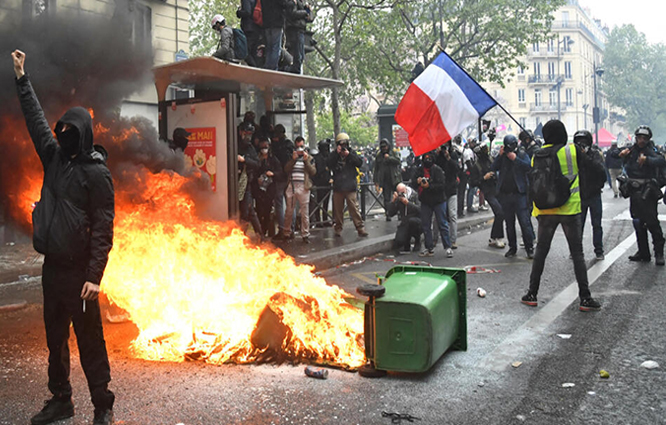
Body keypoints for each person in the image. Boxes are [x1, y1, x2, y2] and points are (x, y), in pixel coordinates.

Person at [12, 50, 116, 425]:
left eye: (72, 133)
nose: (64, 137)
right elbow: (36, 121)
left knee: (91, 343)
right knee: (55, 341)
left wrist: (94, 275)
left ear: (84, 135)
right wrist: (22, 78)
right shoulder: (54, 158)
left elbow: (104, 228)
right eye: (62, 133)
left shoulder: (97, 175)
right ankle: (61, 400)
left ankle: (102, 405)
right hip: (52, 269)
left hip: (80, 276)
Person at [522, 120, 602, 312]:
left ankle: (532, 294)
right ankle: (585, 298)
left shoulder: (537, 155)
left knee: (541, 252)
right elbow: (598, 171)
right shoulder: (572, 151)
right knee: (577, 254)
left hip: (545, 211)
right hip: (569, 209)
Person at [615, 125, 665, 265]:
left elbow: (661, 160)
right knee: (637, 222)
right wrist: (622, 155)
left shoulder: (652, 150)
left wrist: (647, 160)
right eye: (639, 138)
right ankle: (643, 252)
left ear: (648, 139)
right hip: (634, 190)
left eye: (644, 138)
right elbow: (615, 155)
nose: (641, 140)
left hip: (648, 191)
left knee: (652, 223)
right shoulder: (631, 149)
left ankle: (659, 253)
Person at [492, 134, 534, 259]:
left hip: (519, 194)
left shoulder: (521, 154)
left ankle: (529, 247)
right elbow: (493, 167)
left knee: (524, 222)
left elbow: (528, 167)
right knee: (509, 224)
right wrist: (499, 156)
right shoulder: (503, 157)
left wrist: (515, 159)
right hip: (506, 195)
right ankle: (512, 247)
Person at [573, 130, 607, 260]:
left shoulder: (595, 155)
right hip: (580, 194)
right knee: (578, 225)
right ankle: (576, 250)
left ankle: (599, 250)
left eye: (584, 141)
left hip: (594, 194)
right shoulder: (574, 156)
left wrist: (585, 156)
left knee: (596, 224)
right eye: (579, 141)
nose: (581, 144)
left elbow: (601, 171)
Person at [412, 151, 453, 258]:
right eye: (425, 158)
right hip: (425, 201)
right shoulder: (419, 170)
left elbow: (441, 185)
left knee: (442, 224)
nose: (427, 161)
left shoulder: (437, 170)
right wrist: (417, 181)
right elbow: (412, 182)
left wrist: (429, 186)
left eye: (429, 158)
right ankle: (429, 247)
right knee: (426, 225)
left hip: (438, 201)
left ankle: (448, 247)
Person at [327, 133, 368, 237]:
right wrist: (337, 154)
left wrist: (348, 155)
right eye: (341, 144)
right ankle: (338, 228)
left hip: (350, 186)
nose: (343, 146)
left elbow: (359, 163)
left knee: (354, 207)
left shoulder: (352, 153)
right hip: (339, 186)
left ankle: (360, 227)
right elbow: (328, 164)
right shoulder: (334, 155)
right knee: (338, 209)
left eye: (345, 143)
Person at [276, 136, 316, 242]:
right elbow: (286, 169)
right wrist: (293, 160)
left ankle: (305, 234)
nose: (300, 150)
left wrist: (306, 160)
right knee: (289, 211)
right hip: (292, 186)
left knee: (304, 212)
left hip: (304, 186)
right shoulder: (291, 158)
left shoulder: (309, 158)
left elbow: (313, 172)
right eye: (297, 147)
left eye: (301, 147)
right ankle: (287, 232)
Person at [470, 141, 505, 248]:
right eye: (484, 150)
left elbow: (497, 165)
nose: (487, 151)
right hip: (488, 192)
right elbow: (472, 182)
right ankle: (498, 237)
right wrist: (483, 178)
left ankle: (493, 237)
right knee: (499, 212)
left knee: (500, 213)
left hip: (497, 189)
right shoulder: (476, 166)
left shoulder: (490, 159)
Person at [252, 137, 283, 238]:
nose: (264, 149)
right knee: (259, 210)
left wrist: (272, 174)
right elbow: (252, 170)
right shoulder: (257, 158)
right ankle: (260, 232)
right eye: (262, 147)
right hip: (259, 190)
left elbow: (280, 172)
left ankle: (264, 231)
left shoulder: (273, 159)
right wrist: (257, 178)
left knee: (267, 212)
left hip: (270, 189)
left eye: (265, 147)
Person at [238, 122, 263, 239]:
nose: (248, 136)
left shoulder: (250, 148)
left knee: (247, 210)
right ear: (241, 132)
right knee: (246, 211)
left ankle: (246, 235)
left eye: (250, 134)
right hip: (232, 183)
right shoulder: (233, 144)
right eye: (246, 133)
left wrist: (245, 160)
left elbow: (257, 164)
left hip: (245, 183)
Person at [270, 124, 294, 235]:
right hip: (289, 176)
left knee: (279, 203)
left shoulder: (276, 147)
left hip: (279, 177)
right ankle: (291, 228)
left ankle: (282, 229)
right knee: (290, 203)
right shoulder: (289, 145)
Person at [436, 141, 460, 249]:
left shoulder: (453, 155)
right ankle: (434, 239)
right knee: (438, 216)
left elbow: (457, 168)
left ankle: (453, 240)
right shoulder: (438, 156)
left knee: (452, 215)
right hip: (441, 191)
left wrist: (449, 158)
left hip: (451, 190)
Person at [386, 183, 421, 254]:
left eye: (403, 192)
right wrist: (393, 201)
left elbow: (419, 210)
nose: (401, 194)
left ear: (406, 189)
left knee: (412, 222)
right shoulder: (398, 199)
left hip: (416, 220)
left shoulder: (414, 195)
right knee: (398, 242)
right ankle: (406, 242)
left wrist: (408, 203)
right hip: (405, 221)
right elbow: (390, 213)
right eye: (399, 193)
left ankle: (417, 240)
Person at [373, 138, 402, 222]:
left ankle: (400, 213)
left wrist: (389, 158)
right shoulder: (379, 155)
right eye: (382, 147)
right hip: (385, 180)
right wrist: (376, 181)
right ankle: (388, 213)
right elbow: (376, 168)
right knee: (386, 198)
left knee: (398, 196)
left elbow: (398, 161)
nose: (384, 149)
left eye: (385, 147)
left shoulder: (393, 152)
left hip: (394, 178)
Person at [284, 0, 313, 74]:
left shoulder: (301, 4)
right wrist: (304, 13)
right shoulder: (293, 2)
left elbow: (310, 18)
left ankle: (295, 68)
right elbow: (293, 14)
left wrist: (309, 11)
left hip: (301, 30)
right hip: (295, 28)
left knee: (301, 54)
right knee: (298, 54)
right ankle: (294, 69)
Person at [262, 0, 288, 70]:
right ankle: (273, 67)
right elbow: (284, 3)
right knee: (275, 47)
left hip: (267, 23)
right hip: (277, 22)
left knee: (269, 46)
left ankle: (267, 65)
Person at [312, 139, 332, 226]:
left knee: (326, 202)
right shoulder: (317, 158)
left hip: (327, 182)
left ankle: (325, 219)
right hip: (319, 183)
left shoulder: (328, 156)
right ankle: (318, 221)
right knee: (318, 203)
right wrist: (325, 168)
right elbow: (317, 170)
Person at [236, 1, 262, 67]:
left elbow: (247, 12)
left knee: (246, 51)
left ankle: (254, 69)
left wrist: (238, 13)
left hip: (248, 29)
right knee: (253, 52)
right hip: (257, 28)